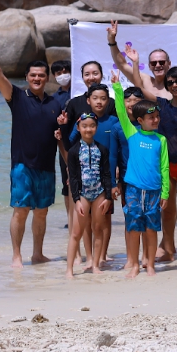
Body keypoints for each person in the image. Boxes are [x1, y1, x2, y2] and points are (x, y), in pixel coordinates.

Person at [0, 33, 64, 267]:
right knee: (21, 210)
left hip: (47, 167)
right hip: (22, 166)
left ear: (47, 78)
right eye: (33, 75)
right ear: (27, 77)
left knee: (41, 213)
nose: (37, 79)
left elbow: (62, 135)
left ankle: (37, 254)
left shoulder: (55, 103)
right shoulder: (16, 96)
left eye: (41, 75)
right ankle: (16, 255)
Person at [122, 46, 177, 263]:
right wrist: (135, 62)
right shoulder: (160, 105)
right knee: (167, 209)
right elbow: (139, 87)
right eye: (170, 83)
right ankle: (169, 247)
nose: (173, 85)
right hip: (166, 162)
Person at [111, 74, 168, 278]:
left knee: (151, 229)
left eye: (157, 117)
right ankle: (134, 265)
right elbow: (120, 110)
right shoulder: (131, 133)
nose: (155, 120)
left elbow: (165, 168)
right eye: (151, 118)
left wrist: (166, 193)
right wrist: (117, 87)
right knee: (134, 228)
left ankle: (150, 265)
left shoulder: (161, 140)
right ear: (140, 120)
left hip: (154, 192)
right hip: (134, 189)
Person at [59, 83, 120, 269]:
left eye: (103, 98)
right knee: (85, 224)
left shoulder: (113, 122)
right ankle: (89, 257)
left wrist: (116, 178)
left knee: (103, 221)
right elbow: (69, 147)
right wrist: (61, 129)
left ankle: (102, 256)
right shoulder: (82, 123)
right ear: (88, 100)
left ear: (108, 100)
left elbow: (117, 149)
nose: (99, 102)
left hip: (105, 181)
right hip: (85, 184)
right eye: (95, 98)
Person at [64, 113, 116, 278]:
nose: (88, 129)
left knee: (98, 229)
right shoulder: (73, 151)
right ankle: (69, 269)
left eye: (92, 126)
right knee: (76, 233)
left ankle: (95, 265)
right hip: (83, 195)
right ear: (78, 128)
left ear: (96, 128)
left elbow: (107, 174)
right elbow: (72, 178)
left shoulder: (102, 149)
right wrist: (77, 200)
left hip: (99, 193)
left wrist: (108, 197)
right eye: (84, 126)